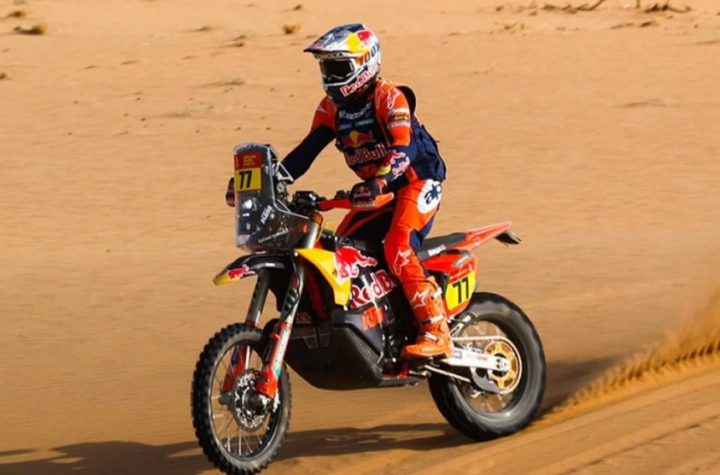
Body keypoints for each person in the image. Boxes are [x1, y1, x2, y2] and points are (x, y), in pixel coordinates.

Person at [276, 23, 452, 359]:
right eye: (327, 68)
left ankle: (436, 329)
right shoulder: (331, 108)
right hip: (376, 194)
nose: (331, 76)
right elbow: (304, 153)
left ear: (365, 63)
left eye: (339, 67)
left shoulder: (390, 97)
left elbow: (404, 147)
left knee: (399, 247)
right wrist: (272, 178)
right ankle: (377, 321)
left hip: (416, 182)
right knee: (341, 252)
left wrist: (381, 180)